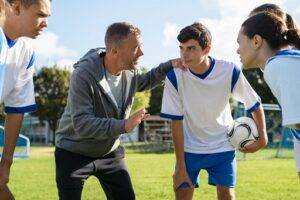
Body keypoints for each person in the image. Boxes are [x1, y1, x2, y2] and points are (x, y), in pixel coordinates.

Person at [55, 22, 184, 200]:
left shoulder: (130, 73)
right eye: (135, 48)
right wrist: (123, 125)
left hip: (109, 152)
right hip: (73, 153)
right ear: (114, 51)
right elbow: (82, 124)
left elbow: (147, 80)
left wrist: (170, 65)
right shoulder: (83, 75)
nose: (141, 53)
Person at [160, 22, 268, 200]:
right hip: (189, 149)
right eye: (182, 48)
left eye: (191, 48)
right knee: (182, 194)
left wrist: (262, 137)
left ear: (206, 49)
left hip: (223, 145)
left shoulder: (229, 71)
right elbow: (176, 122)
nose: (184, 55)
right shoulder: (174, 77)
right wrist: (180, 165)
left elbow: (254, 103)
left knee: (227, 196)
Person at [236, 12, 300, 177]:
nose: (237, 50)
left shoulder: (277, 66)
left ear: (256, 41)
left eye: (239, 42)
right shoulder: (284, 61)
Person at [0, 0, 51, 199]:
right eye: (41, 15)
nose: (45, 23)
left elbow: (16, 109)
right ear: (18, 7)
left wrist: (6, 164)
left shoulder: (26, 53)